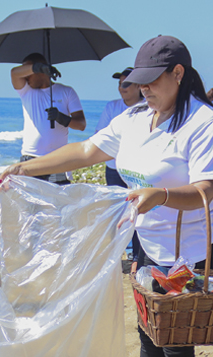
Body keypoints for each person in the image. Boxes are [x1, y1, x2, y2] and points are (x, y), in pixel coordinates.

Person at [1, 36, 213, 357]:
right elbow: (87, 150)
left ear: (178, 74)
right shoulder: (134, 118)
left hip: (193, 244)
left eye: (152, 81)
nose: (143, 89)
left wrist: (159, 194)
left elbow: (206, 190)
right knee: (148, 328)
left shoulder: (204, 123)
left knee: (176, 341)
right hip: (148, 238)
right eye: (138, 81)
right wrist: (24, 167)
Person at [11, 53, 86, 184]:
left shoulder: (66, 91)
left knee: (58, 202)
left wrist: (62, 118)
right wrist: (38, 67)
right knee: (32, 203)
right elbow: (14, 73)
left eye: (29, 72)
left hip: (58, 159)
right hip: (31, 159)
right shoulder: (26, 91)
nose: (25, 77)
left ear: (42, 73)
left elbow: (81, 125)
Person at [96, 67, 144, 263]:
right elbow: (100, 137)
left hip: (136, 172)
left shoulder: (147, 108)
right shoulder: (112, 107)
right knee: (116, 212)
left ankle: (137, 254)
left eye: (126, 84)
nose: (121, 88)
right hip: (114, 169)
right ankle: (118, 253)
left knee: (138, 212)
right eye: (119, 83)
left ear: (139, 86)